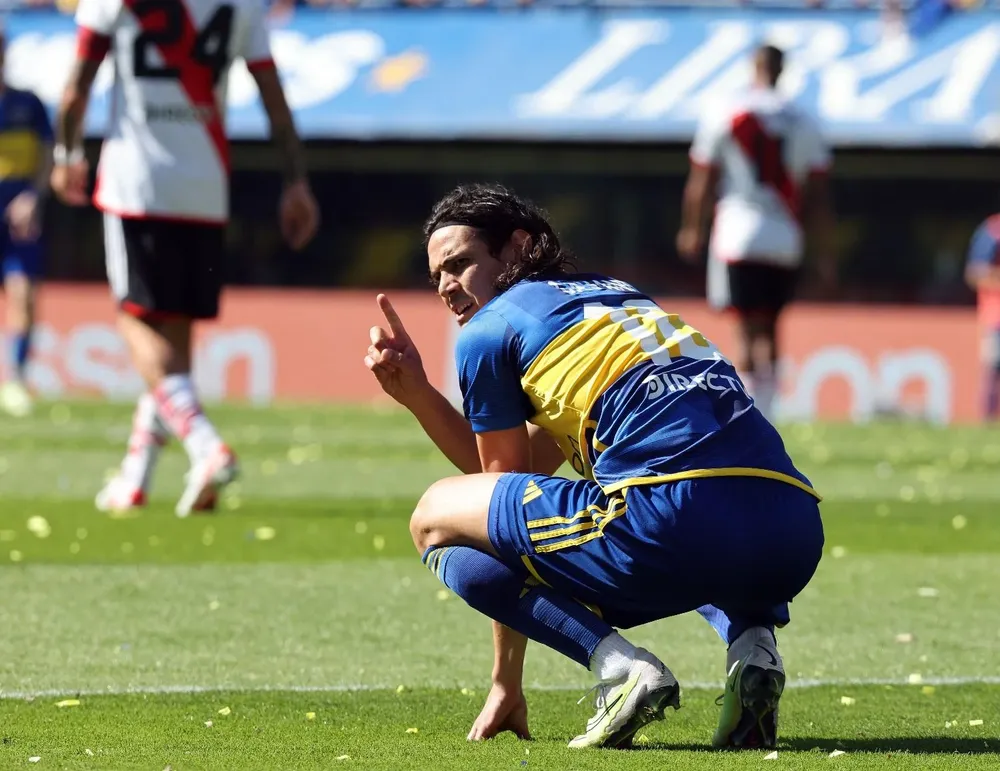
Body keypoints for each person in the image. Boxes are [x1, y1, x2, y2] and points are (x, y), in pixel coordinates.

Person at [365, 184, 824, 749]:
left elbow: (494, 493)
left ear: (518, 246)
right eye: (436, 275)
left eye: (459, 264)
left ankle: (620, 669)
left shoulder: (488, 331)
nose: (445, 287)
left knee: (433, 516)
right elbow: (526, 467)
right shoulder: (619, 298)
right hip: (792, 532)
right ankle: (754, 650)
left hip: (676, 524)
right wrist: (419, 395)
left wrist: (505, 681)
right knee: (711, 498)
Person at [50, 0, 319, 514]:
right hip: (204, 185)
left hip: (136, 183)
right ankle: (137, 476)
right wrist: (296, 183)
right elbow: (274, 99)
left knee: (134, 319)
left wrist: (66, 155)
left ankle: (204, 445)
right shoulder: (244, 4)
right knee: (174, 338)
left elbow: (75, 89)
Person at [677, 44, 835, 423]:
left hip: (739, 231)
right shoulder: (804, 119)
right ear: (782, 70)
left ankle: (747, 418)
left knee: (745, 329)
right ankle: (770, 414)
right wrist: (824, 250)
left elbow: (702, 180)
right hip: (784, 235)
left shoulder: (726, 110)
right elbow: (817, 194)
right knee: (772, 327)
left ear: (753, 67)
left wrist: (692, 228)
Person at [0, 29, 53, 417]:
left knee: (24, 296)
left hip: (17, 221)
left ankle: (16, 380)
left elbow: (49, 155)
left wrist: (34, 195)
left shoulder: (29, 104)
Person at [965, 214, 1000, 421]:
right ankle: (988, 420)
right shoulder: (992, 230)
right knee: (993, 370)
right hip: (996, 317)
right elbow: (975, 273)